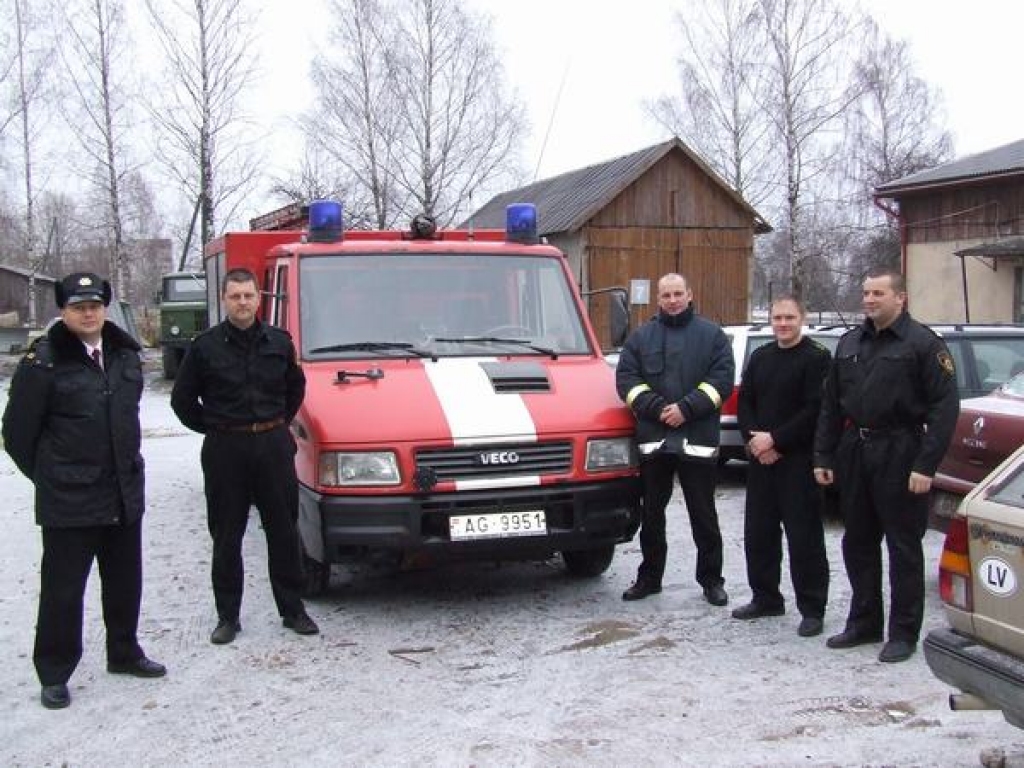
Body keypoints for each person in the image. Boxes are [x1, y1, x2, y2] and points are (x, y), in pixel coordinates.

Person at [2, 272, 166, 710]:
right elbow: (17, 435)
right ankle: (55, 672)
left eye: (94, 305)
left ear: (104, 308)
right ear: (63, 311)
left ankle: (124, 651)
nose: (88, 313)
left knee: (124, 581)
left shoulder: (124, 356)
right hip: (69, 502)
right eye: (78, 306)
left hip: (121, 492)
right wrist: (54, 478)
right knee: (63, 591)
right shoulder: (44, 363)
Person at [814, 270, 958, 663]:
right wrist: (824, 455)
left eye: (879, 293)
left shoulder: (923, 344)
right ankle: (864, 622)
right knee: (857, 541)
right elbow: (830, 404)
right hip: (856, 450)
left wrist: (926, 465)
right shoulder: (849, 342)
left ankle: (903, 632)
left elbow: (945, 410)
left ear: (901, 298)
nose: (870, 299)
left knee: (903, 546)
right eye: (865, 293)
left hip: (902, 451)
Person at [171, 267, 318, 645]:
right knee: (226, 535)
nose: (242, 302)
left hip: (271, 445)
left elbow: (294, 389)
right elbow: (182, 400)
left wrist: (276, 424)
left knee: (284, 533)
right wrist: (216, 427)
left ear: (258, 299)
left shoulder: (279, 342)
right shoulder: (204, 347)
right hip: (226, 450)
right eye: (235, 296)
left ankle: (293, 609)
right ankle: (227, 617)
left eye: (248, 296)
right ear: (224, 299)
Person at [616, 273, 734, 605]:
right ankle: (650, 578)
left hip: (696, 438)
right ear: (658, 299)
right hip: (656, 441)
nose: (672, 300)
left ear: (690, 295)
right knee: (652, 516)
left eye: (678, 293)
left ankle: (712, 580)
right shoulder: (641, 338)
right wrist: (655, 408)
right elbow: (627, 380)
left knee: (704, 515)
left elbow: (721, 380)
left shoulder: (712, 336)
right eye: (666, 295)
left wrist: (686, 409)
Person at [733, 296, 830, 637]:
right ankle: (766, 597)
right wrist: (756, 441)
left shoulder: (817, 358)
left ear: (802, 318)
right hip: (762, 460)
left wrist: (775, 440)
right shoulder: (761, 357)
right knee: (759, 533)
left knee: (804, 538)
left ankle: (813, 607)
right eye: (777, 317)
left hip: (798, 461)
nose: (783, 323)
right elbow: (746, 402)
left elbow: (815, 409)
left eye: (789, 317)